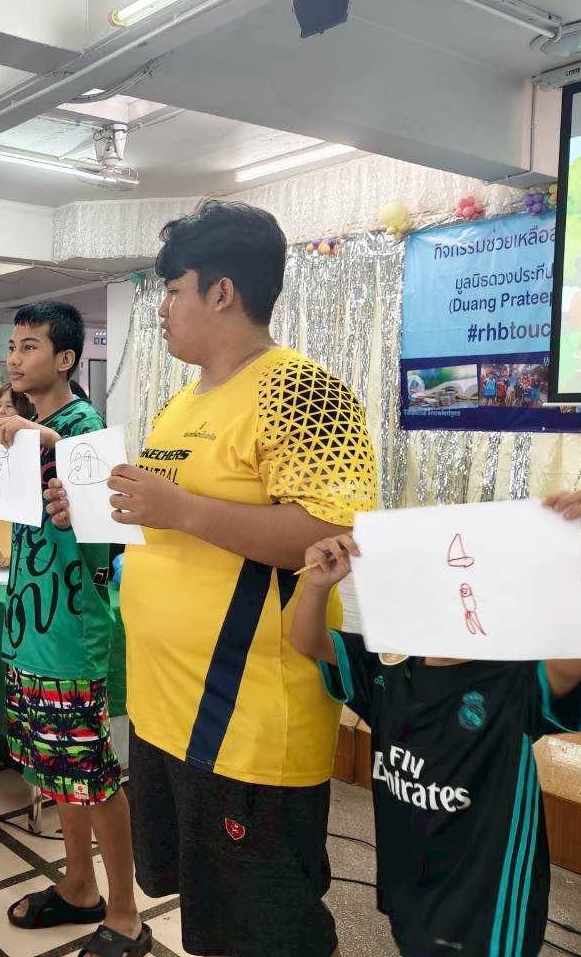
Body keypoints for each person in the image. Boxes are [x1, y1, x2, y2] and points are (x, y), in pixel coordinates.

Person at [47, 201, 378, 957]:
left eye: (173, 290)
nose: (162, 309)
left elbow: (331, 534)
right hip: (167, 709)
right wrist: (97, 509)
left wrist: (182, 509)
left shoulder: (305, 392)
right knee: (215, 920)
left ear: (222, 292)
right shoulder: (183, 401)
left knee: (268, 931)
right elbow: (167, 523)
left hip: (246, 722)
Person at [289, 490, 581, 957]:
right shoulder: (388, 667)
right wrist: (318, 586)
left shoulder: (509, 678)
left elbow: (575, 661)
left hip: (487, 907)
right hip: (410, 887)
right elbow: (308, 641)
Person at [0, 302, 146, 957]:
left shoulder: (82, 428)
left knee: (93, 773)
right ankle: (79, 886)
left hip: (70, 629)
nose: (15, 357)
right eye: (13, 346)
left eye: (30, 346)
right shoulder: (28, 427)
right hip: (30, 620)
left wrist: (49, 448)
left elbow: (111, 529)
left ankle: (127, 915)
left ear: (66, 359)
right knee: (57, 769)